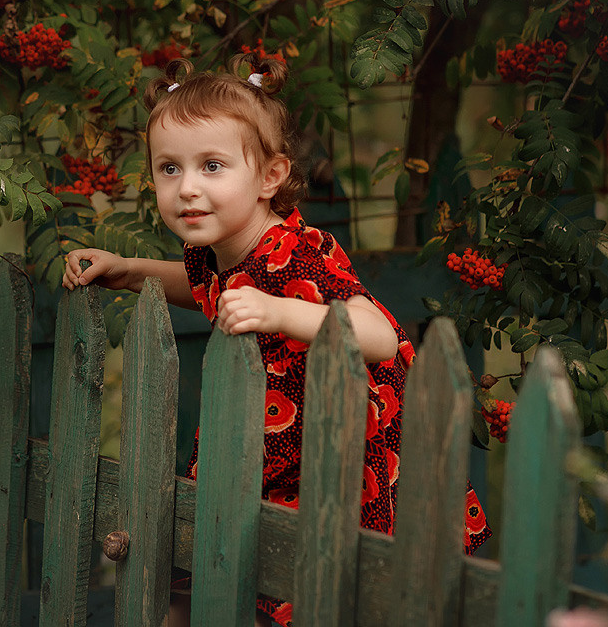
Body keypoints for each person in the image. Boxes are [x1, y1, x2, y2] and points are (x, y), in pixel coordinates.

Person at [62, 56, 490, 627]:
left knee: (307, 591)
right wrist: (128, 269)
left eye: (212, 166)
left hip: (341, 457)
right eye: (169, 168)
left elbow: (379, 334)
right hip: (267, 443)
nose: (187, 188)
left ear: (269, 176)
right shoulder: (219, 249)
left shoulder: (299, 250)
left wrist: (281, 311)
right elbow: (209, 289)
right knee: (208, 577)